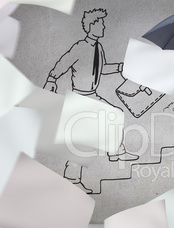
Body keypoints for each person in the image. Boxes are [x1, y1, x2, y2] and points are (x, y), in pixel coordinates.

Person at [43, 8, 138, 193]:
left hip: (90, 95)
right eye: (100, 23)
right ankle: (72, 178)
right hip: (80, 97)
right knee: (81, 142)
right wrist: (52, 79)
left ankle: (116, 151)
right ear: (91, 26)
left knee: (114, 115)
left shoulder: (98, 47)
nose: (103, 27)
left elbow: (103, 69)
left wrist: (122, 67)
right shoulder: (80, 47)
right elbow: (63, 63)